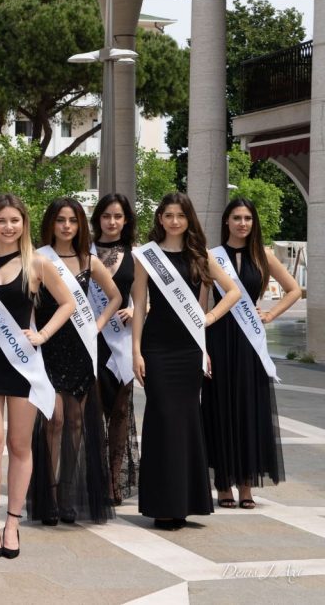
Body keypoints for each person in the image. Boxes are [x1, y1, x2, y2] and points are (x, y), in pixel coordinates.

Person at [0, 193, 74, 559]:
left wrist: (42, 334)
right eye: (1, 220)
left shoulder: (36, 262)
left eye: (15, 220)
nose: (8, 227)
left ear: (24, 223)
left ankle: (12, 523)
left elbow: (68, 303)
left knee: (20, 446)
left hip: (23, 366)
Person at [132, 192, 240, 530]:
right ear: (160, 218)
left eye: (180, 215)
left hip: (189, 349)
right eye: (168, 215)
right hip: (157, 347)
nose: (175, 221)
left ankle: (185, 502)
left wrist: (209, 319)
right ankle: (162, 504)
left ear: (188, 218)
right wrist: (135, 351)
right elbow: (139, 305)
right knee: (162, 420)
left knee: (186, 422)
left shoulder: (200, 255)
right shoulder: (146, 256)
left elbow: (233, 292)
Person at [28, 198, 121, 526]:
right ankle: (50, 494)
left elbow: (115, 297)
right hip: (48, 348)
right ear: (50, 224)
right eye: (60, 220)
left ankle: (68, 493)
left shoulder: (89, 261)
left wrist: (97, 325)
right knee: (54, 420)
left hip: (81, 347)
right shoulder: (38, 259)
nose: (66, 226)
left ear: (80, 225)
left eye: (72, 220)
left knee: (77, 422)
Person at [203, 198, 300, 509]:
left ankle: (246, 485)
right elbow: (203, 303)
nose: (242, 223)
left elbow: (294, 290)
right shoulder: (212, 256)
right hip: (218, 338)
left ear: (253, 222)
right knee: (221, 408)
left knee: (248, 409)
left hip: (250, 342)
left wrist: (270, 314)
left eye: (247, 218)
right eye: (236, 218)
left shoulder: (263, 256)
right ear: (226, 221)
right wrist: (201, 346)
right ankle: (223, 485)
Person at [90, 194, 141, 507]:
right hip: (90, 340)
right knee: (93, 413)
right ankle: (94, 479)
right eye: (106, 216)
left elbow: (145, 298)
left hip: (121, 341)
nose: (111, 222)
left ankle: (113, 481)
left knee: (120, 412)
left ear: (126, 220)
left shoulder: (136, 256)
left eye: (118, 216)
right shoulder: (83, 252)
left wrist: (137, 310)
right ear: (98, 219)